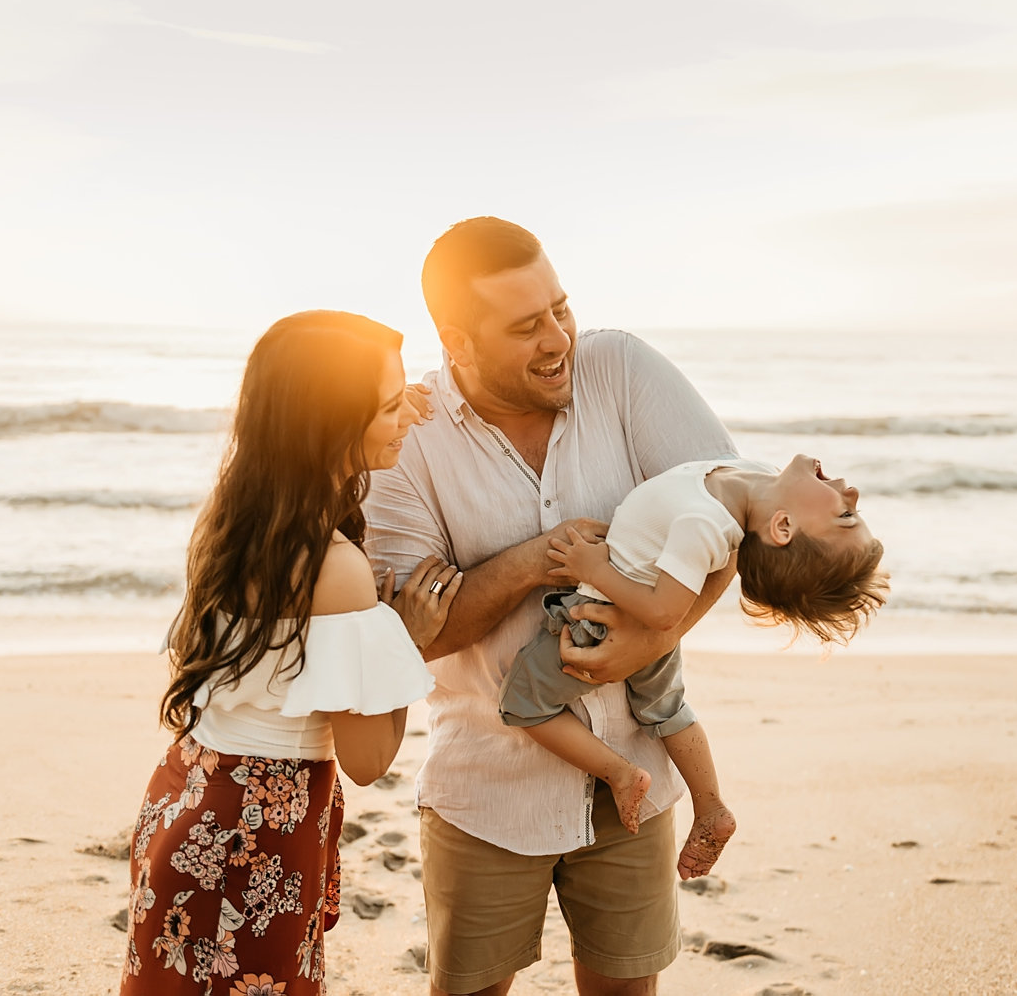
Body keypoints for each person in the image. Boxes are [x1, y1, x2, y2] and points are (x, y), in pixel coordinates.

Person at [364, 217, 739, 996]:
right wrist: (532, 563)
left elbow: (730, 523)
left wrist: (653, 636)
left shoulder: (621, 368)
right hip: (486, 786)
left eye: (560, 310)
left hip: (634, 767)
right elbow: (414, 633)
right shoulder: (411, 436)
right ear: (457, 342)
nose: (557, 338)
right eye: (526, 325)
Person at [120, 311, 455, 996]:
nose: (405, 419)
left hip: (189, 797)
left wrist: (394, 404)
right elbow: (367, 761)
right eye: (389, 407)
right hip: (253, 836)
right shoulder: (334, 567)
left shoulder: (237, 522)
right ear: (331, 424)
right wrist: (405, 639)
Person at [501, 453, 887, 880]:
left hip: (600, 619)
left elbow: (664, 614)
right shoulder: (752, 475)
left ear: (784, 526)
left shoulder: (703, 521)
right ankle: (711, 806)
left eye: (846, 514)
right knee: (666, 708)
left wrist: (594, 568)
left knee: (521, 704)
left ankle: (619, 772)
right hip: (641, 627)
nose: (850, 490)